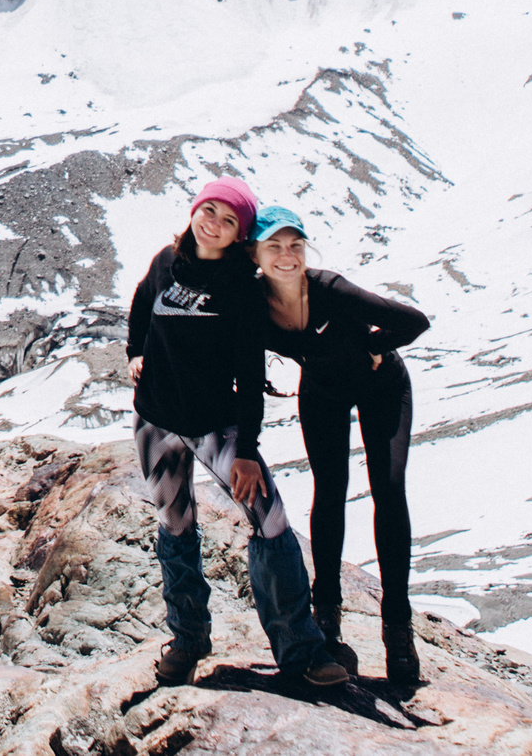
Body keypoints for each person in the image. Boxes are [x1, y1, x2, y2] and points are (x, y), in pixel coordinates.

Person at [126, 177, 349, 688]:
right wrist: (135, 352)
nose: (214, 224)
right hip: (156, 422)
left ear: (238, 235)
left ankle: (301, 650)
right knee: (174, 526)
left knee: (270, 521)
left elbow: (250, 374)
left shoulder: (242, 289)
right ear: (195, 209)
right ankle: (187, 639)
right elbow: (142, 304)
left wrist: (246, 449)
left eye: (229, 221)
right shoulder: (166, 260)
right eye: (210, 211)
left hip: (216, 427)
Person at [248, 203, 431, 685]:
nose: (287, 256)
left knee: (388, 489)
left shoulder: (329, 288)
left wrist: (373, 347)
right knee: (329, 493)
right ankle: (326, 618)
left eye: (296, 245)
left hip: (382, 384)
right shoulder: (255, 304)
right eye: (275, 246)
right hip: (323, 389)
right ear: (255, 254)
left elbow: (415, 321)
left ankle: (398, 630)